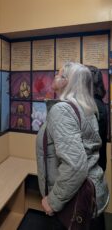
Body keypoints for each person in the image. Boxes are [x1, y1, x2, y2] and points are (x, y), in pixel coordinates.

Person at [36, 62, 109, 230]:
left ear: (67, 82)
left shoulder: (62, 110)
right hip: (91, 195)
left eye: (60, 74)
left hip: (74, 202)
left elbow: (75, 166)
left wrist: (53, 202)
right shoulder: (86, 107)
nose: (55, 76)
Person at [88, 66, 107, 172]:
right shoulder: (98, 102)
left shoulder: (93, 105)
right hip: (97, 164)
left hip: (94, 167)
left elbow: (91, 141)